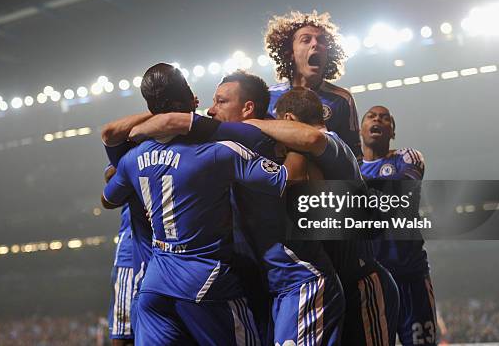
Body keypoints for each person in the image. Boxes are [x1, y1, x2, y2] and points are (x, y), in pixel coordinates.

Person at [129, 70, 346, 346]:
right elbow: (111, 139)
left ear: (248, 108)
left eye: (220, 102)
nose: (211, 109)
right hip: (274, 288)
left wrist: (180, 120)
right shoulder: (228, 151)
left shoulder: (278, 145)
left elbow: (307, 161)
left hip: (308, 278)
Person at [247, 89, 400, 346]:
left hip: (363, 284)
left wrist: (252, 124)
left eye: (279, 123)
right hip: (337, 283)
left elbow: (311, 138)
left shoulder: (333, 143)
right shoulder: (307, 155)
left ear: (287, 118)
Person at [360, 105, 437, 346]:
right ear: (361, 130)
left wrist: (358, 187)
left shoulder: (407, 157)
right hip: (373, 281)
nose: (378, 120)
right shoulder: (351, 165)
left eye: (385, 118)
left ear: (392, 132)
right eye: (371, 116)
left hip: (410, 275)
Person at [264, 10, 362, 157]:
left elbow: (353, 155)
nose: (315, 44)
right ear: (290, 53)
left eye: (321, 41)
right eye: (306, 40)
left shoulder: (342, 99)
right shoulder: (268, 96)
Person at [104, 165, 135, 346]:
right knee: (123, 332)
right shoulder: (131, 146)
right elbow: (108, 179)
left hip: (165, 250)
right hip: (131, 249)